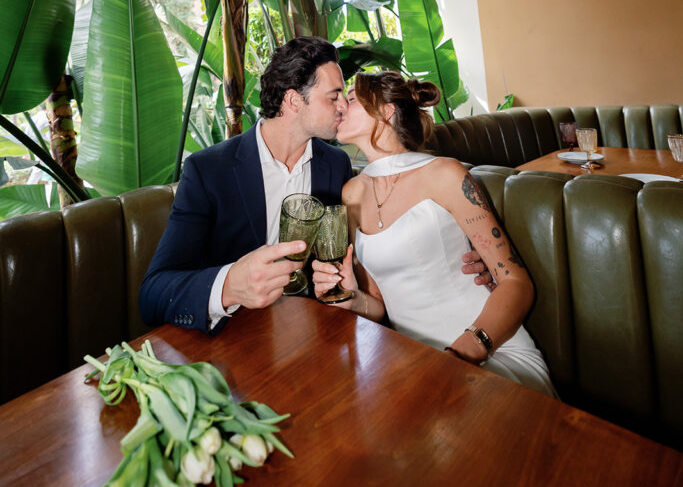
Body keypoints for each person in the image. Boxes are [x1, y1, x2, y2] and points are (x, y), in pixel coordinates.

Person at [140, 38, 491, 335]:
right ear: (294, 101)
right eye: (334, 96)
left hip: (319, 333)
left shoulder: (335, 164)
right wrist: (231, 285)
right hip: (235, 339)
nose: (344, 106)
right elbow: (153, 293)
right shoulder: (208, 170)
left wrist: (468, 258)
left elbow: (370, 255)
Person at [312, 71, 556, 396]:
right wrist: (352, 297)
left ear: (387, 111)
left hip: (489, 349)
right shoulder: (351, 194)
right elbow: (381, 305)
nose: (339, 104)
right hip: (413, 363)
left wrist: (459, 356)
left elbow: (516, 283)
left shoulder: (444, 174)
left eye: (352, 98)